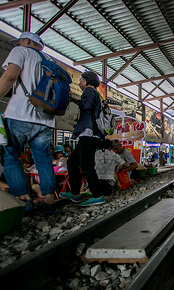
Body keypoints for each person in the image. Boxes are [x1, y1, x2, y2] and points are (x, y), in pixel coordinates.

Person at [0, 32, 57, 214]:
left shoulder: (20, 51)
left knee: (10, 157)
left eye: (20, 40)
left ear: (26, 41)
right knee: (44, 161)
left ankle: (23, 199)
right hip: (46, 119)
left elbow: (9, 77)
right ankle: (49, 201)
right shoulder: (50, 60)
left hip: (19, 114)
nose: (19, 43)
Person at [63, 71, 105, 206]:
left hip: (88, 134)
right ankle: (75, 194)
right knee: (72, 162)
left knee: (86, 165)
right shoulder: (95, 93)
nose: (79, 83)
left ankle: (98, 195)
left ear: (87, 81)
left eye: (81, 80)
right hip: (89, 135)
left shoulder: (89, 90)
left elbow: (86, 106)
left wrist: (75, 100)